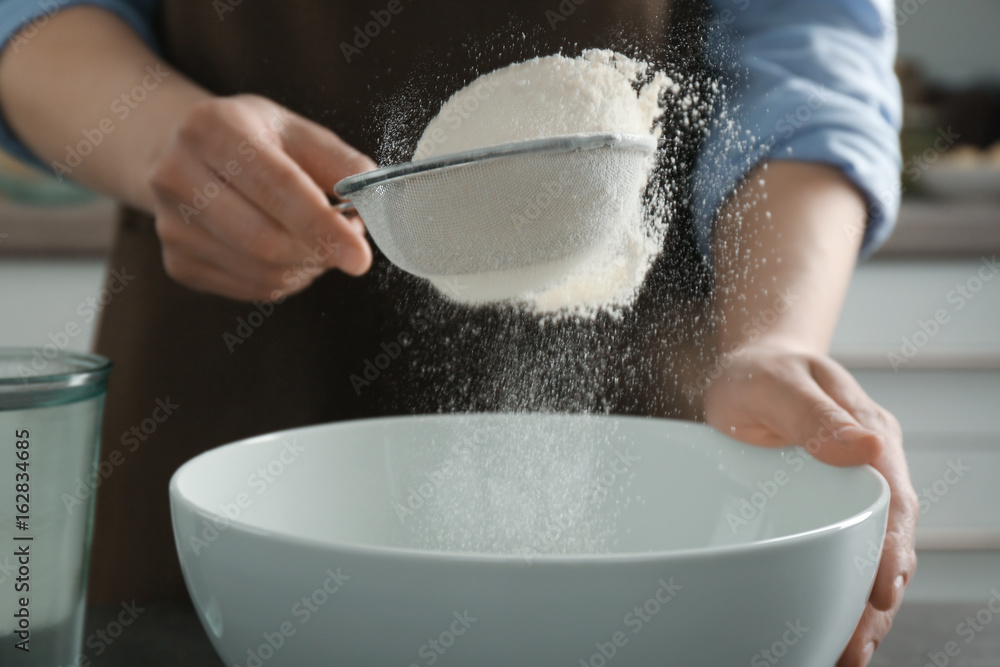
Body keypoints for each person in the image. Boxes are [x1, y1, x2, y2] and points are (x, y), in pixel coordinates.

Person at [0, 1, 918, 665]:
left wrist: (772, 340)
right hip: (228, 403)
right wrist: (166, 138)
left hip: (660, 445)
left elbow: (805, 49)